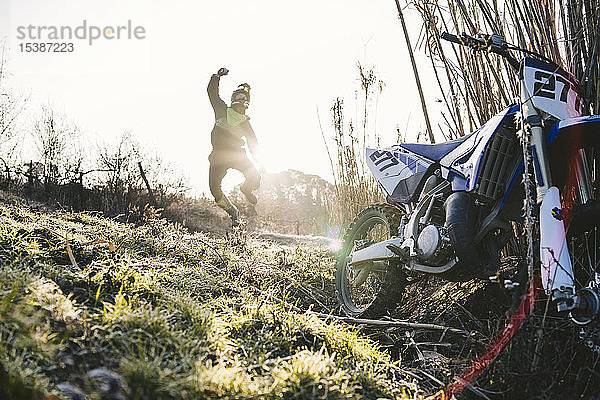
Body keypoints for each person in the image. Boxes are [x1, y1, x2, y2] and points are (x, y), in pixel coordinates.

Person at [207, 67, 260, 227]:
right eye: (237, 96)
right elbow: (212, 93)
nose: (240, 98)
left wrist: (259, 161)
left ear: (247, 101)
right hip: (218, 156)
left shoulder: (245, 123)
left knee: (256, 178)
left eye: (243, 96)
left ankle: (247, 189)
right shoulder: (221, 110)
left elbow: (254, 144)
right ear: (232, 99)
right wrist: (216, 77)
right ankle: (233, 212)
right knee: (215, 191)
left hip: (237, 155)